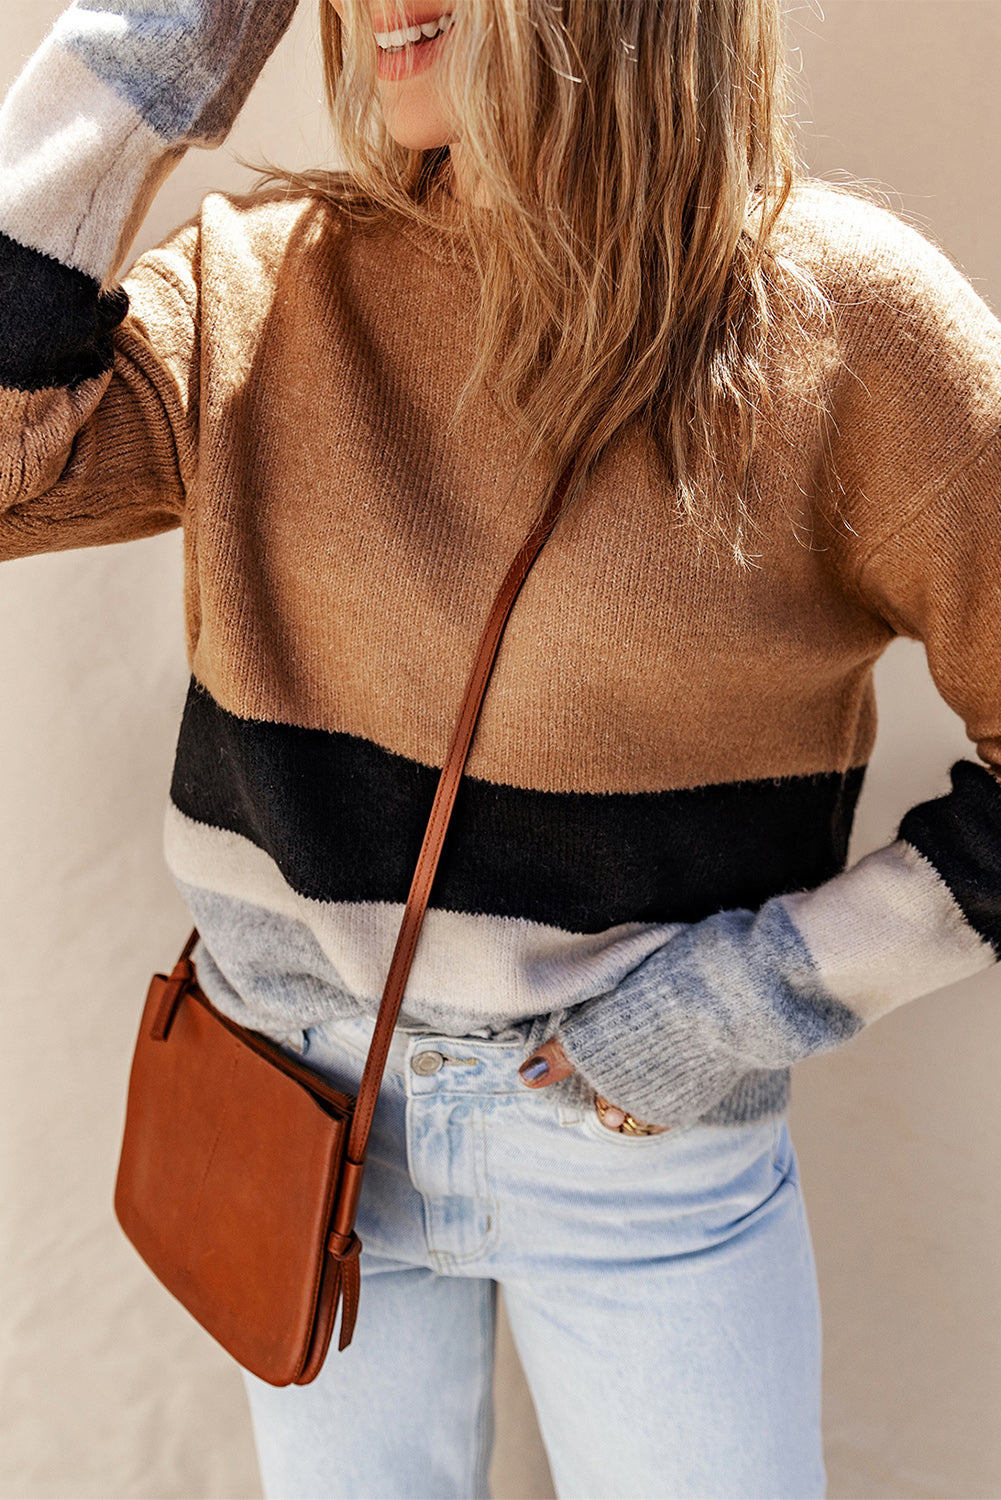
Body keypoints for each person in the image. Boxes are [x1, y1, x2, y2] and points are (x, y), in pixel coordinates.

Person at [2, 0, 1001, 1495]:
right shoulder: (262, 293)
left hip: (639, 1148)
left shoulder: (846, 325)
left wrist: (747, 1002)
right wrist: (161, 39)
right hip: (294, 1122)